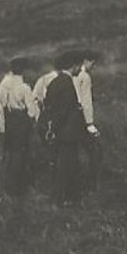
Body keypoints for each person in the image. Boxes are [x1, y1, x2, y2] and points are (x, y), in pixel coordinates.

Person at [41, 51, 87, 203]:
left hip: (60, 131)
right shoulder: (67, 83)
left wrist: (51, 126)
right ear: (72, 66)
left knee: (66, 165)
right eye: (78, 65)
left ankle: (68, 197)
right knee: (68, 166)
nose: (79, 68)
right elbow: (65, 109)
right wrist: (55, 128)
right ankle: (63, 198)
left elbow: (48, 106)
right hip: (68, 132)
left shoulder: (54, 82)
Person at [0, 56, 39, 195]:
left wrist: (2, 125)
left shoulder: (4, 83)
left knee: (11, 151)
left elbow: (0, 106)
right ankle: (18, 187)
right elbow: (32, 111)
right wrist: (33, 119)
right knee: (21, 153)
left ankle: (10, 185)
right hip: (21, 121)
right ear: (23, 71)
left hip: (9, 120)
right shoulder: (24, 88)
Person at [74, 48, 102, 193]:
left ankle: (81, 183)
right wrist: (89, 123)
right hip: (84, 121)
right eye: (92, 62)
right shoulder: (85, 77)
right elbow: (85, 102)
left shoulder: (75, 75)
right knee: (94, 152)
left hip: (75, 119)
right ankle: (91, 186)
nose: (93, 66)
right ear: (86, 61)